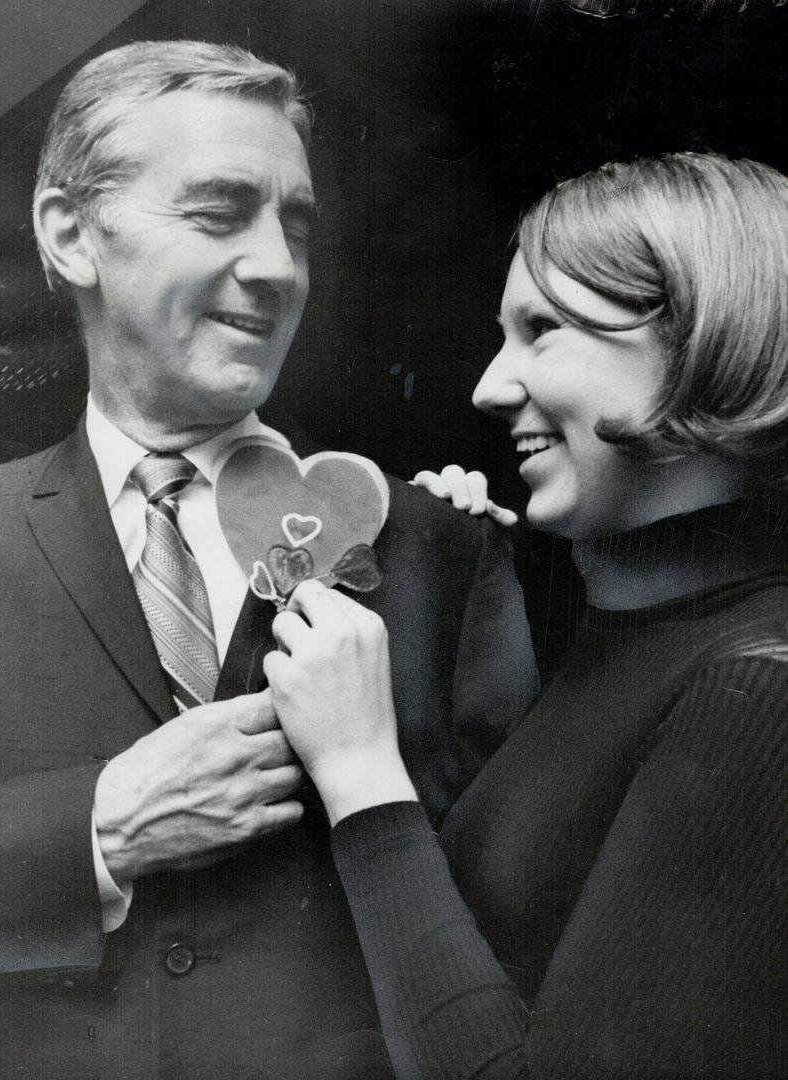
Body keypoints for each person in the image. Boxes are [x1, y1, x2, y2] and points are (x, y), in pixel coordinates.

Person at [0, 40, 538, 1080]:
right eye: (219, 214)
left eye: (295, 224)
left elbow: (517, 915)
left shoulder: (438, 548)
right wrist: (95, 832)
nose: (277, 267)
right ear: (71, 234)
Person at [265, 153, 788, 1079]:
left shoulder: (760, 685)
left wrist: (359, 774)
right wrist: (492, 575)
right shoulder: (634, 628)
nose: (488, 388)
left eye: (541, 331)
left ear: (706, 336)